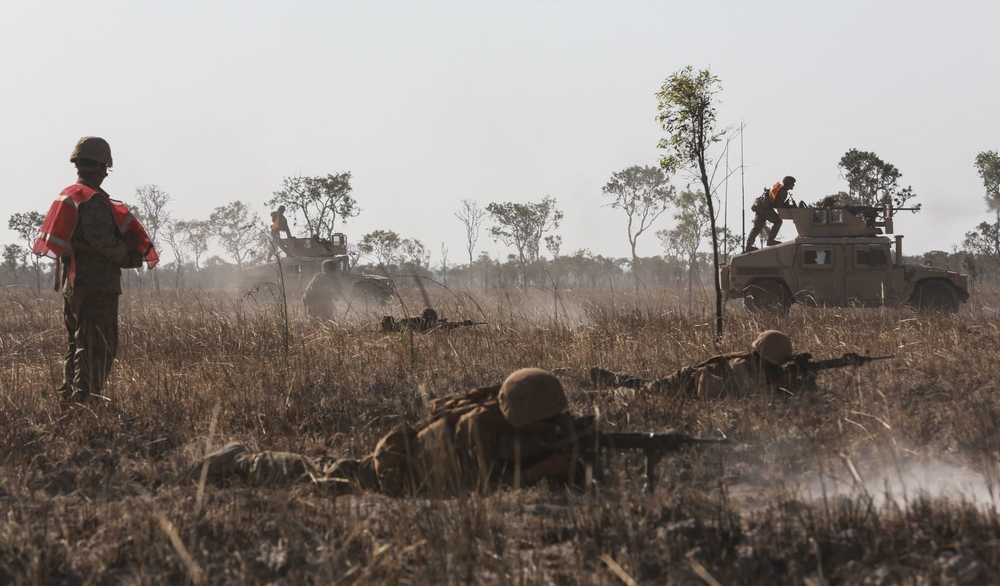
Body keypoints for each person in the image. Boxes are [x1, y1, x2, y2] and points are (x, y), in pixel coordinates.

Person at [188, 368, 581, 496]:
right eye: (546, 419)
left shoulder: (503, 413)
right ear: (526, 415)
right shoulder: (478, 424)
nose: (551, 425)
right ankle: (241, 460)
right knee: (318, 472)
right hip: (392, 475)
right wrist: (541, 469)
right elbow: (485, 486)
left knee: (325, 467)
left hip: (407, 464)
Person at [33, 136, 158, 403]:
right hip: (95, 286)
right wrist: (128, 256)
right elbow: (100, 239)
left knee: (78, 344)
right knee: (98, 346)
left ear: (78, 164)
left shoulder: (68, 195)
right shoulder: (93, 200)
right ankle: (85, 402)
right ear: (102, 167)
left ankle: (71, 399)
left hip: (74, 283)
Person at [590, 330, 816, 399]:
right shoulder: (741, 366)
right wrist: (783, 382)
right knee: (640, 395)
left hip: (690, 384)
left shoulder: (758, 366)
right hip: (685, 384)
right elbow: (754, 395)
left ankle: (616, 377)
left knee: (645, 386)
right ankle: (596, 394)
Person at [746, 176, 796, 251]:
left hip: (760, 207)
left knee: (757, 228)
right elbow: (779, 205)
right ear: (788, 183)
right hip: (766, 208)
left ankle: (748, 245)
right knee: (778, 221)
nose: (793, 185)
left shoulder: (779, 187)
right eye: (792, 183)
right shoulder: (783, 191)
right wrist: (789, 206)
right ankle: (771, 240)